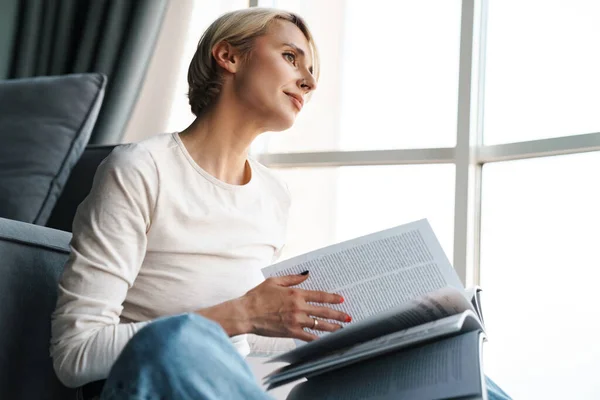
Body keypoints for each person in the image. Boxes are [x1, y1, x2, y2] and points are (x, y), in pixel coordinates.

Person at [50, 7, 511, 400]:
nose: (308, 81)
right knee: (177, 342)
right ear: (228, 55)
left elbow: (251, 344)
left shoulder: (272, 196)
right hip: (159, 381)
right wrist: (243, 313)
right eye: (291, 57)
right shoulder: (140, 169)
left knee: (458, 374)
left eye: (311, 71)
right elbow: (74, 353)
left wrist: (364, 334)